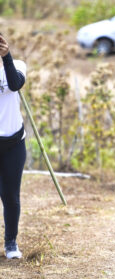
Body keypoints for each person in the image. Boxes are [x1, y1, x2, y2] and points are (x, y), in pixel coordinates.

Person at [0, 34, 27, 259]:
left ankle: (11, 243)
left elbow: (15, 84)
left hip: (13, 143)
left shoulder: (18, 65)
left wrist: (6, 57)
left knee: (10, 196)